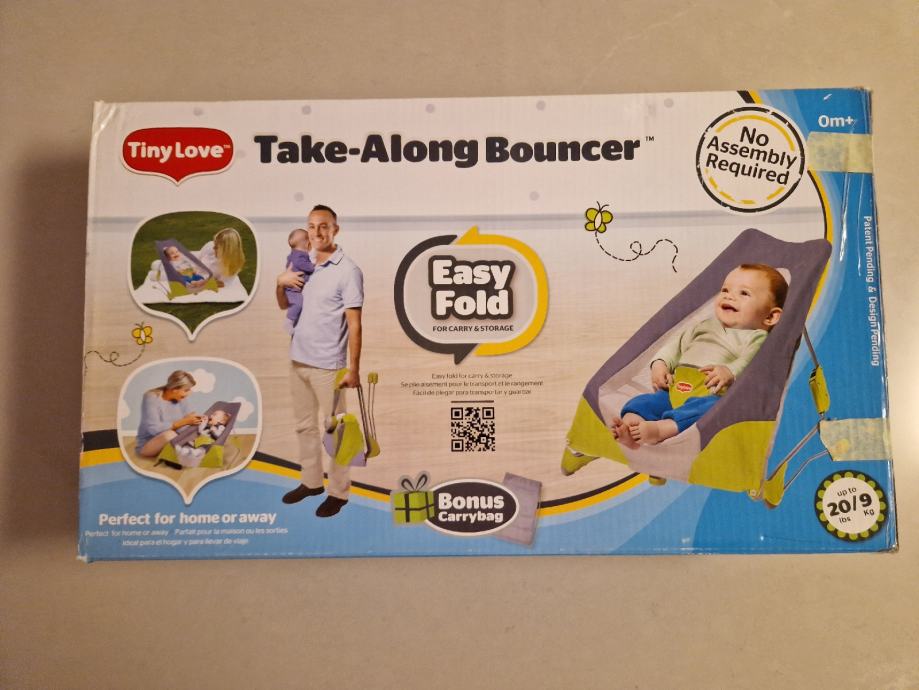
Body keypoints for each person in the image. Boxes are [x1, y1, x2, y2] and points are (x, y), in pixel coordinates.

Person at [612, 263, 787, 447]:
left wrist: (730, 371)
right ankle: (630, 428)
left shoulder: (756, 337)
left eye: (744, 293)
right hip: (674, 389)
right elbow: (675, 347)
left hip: (710, 394)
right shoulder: (704, 326)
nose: (729, 296)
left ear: (770, 317)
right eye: (725, 290)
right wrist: (660, 364)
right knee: (644, 402)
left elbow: (752, 361)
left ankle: (662, 430)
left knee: (709, 411)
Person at [275, 205, 363, 518]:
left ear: (335, 229)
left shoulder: (348, 270)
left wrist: (354, 369)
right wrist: (280, 281)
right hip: (297, 360)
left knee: (336, 431)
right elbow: (284, 303)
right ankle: (311, 482)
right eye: (312, 226)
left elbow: (355, 324)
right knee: (304, 427)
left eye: (324, 226)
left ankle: (338, 493)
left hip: (329, 366)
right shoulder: (301, 261)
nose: (317, 232)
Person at [135, 370, 202, 457]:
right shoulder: (151, 397)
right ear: (174, 389)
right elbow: (153, 429)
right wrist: (184, 422)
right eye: (186, 390)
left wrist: (197, 419)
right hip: (149, 443)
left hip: (175, 438)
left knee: (198, 430)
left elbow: (189, 415)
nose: (189, 393)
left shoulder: (180, 397)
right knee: (170, 435)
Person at [282, 228, 314, 331]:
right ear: (307, 244)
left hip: (292, 288)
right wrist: (313, 266)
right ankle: (289, 321)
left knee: (298, 304)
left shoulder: (294, 254)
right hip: (292, 289)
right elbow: (302, 265)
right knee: (298, 303)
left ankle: (294, 321)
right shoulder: (299, 256)